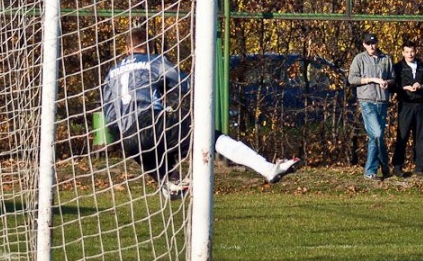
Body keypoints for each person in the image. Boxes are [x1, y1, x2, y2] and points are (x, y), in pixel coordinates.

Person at [100, 27, 301, 200]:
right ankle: (268, 169)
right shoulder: (154, 62)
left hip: (128, 138)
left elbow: (109, 115)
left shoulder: (112, 72)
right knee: (209, 136)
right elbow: (185, 84)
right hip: (151, 122)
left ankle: (170, 183)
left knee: (164, 163)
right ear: (149, 46)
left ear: (127, 49)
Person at [348, 32, 394, 180]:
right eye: (368, 43)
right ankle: (374, 168)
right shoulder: (359, 59)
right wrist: (371, 79)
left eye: (373, 43)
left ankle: (379, 167)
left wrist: (388, 82)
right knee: (377, 134)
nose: (371, 46)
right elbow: (352, 79)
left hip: (382, 101)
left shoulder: (386, 59)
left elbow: (393, 77)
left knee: (375, 137)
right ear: (364, 44)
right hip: (367, 101)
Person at [391, 41, 423, 177]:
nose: (410, 54)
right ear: (403, 53)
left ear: (416, 52)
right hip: (405, 105)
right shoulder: (398, 67)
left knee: (420, 137)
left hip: (419, 105)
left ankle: (420, 167)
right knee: (402, 136)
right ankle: (397, 167)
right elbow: (392, 86)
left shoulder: (422, 66)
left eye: (412, 51)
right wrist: (404, 88)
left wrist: (421, 86)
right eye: (407, 52)